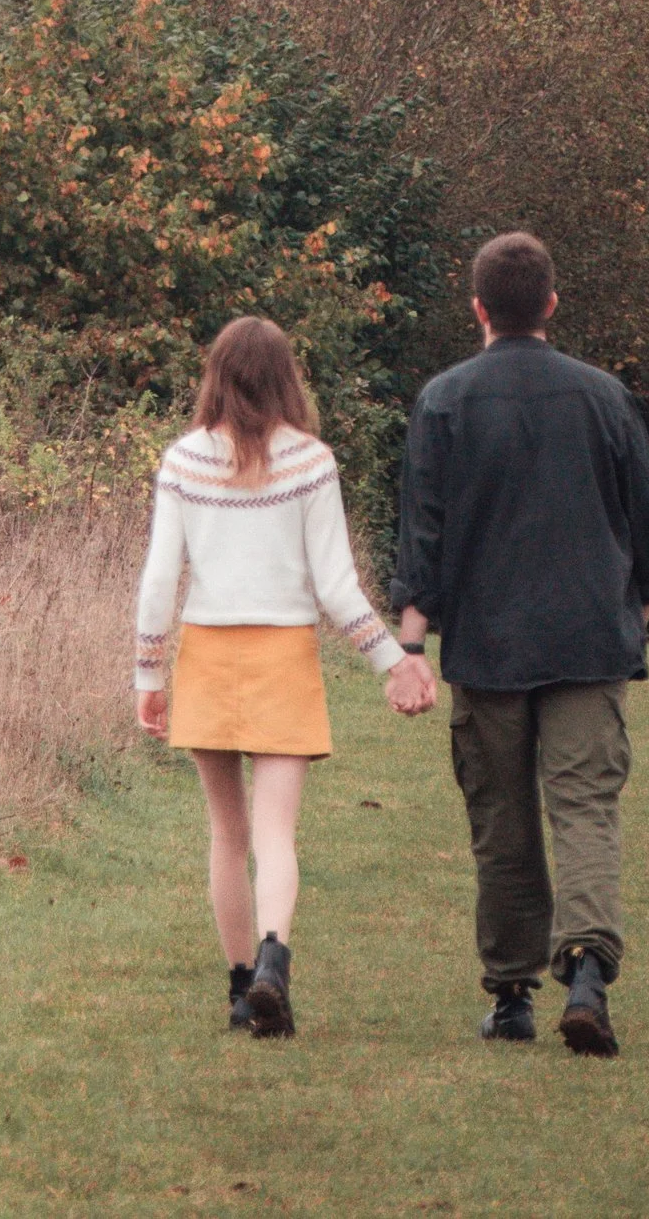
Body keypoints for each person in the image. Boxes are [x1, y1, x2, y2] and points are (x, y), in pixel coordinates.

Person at [391, 228, 649, 1058]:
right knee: (584, 805)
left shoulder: (443, 400)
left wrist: (413, 641)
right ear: (550, 303)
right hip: (588, 633)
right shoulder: (603, 396)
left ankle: (511, 994)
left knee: (502, 815)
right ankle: (586, 972)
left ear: (478, 307)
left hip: (488, 643)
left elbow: (424, 534)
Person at [135, 313, 435, 1037]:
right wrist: (392, 662)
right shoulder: (310, 461)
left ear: (215, 375)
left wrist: (146, 672)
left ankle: (243, 990)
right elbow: (335, 586)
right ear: (284, 378)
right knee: (275, 833)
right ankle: (275, 959)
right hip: (282, 655)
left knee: (226, 834)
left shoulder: (182, 461)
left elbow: (157, 579)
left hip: (207, 651)